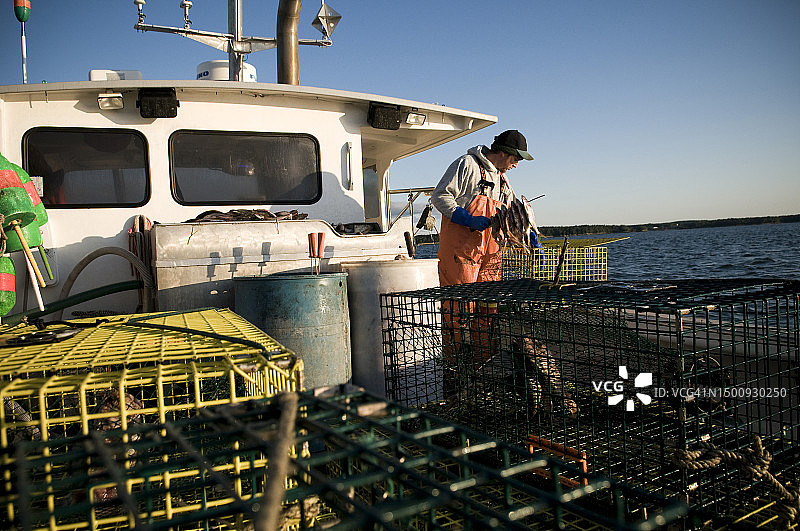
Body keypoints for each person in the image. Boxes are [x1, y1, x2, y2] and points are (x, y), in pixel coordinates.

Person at [431, 129, 534, 286]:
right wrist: (467, 219)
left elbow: (514, 212)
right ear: (503, 153)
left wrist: (529, 234)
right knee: (461, 303)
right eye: (515, 159)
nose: (516, 165)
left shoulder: (503, 180)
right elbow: (440, 195)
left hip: (491, 254)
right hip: (461, 253)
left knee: (489, 302)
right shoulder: (468, 164)